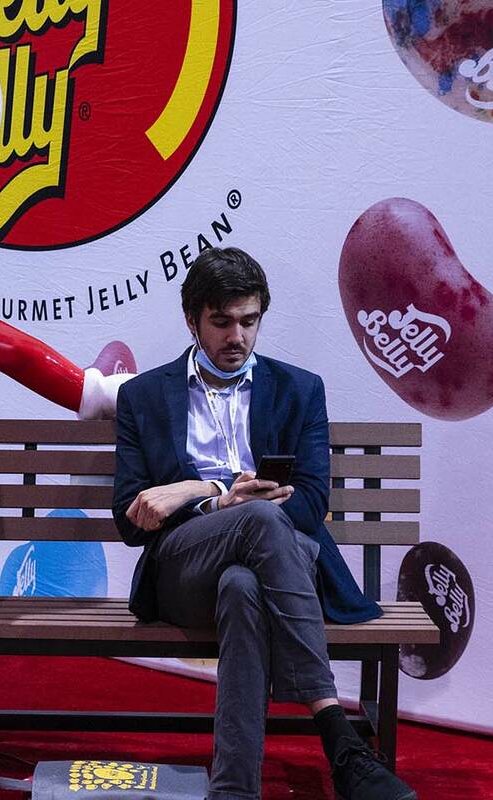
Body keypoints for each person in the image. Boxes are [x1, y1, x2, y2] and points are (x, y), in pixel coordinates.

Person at [113, 247, 418, 800]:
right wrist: (213, 495)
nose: (237, 336)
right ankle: (339, 738)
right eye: (222, 322)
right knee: (253, 519)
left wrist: (226, 498)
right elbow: (132, 520)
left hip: (273, 567)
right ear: (192, 320)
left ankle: (233, 792)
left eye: (249, 321)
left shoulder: (300, 390)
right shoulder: (144, 396)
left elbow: (308, 504)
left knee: (244, 586)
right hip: (185, 568)